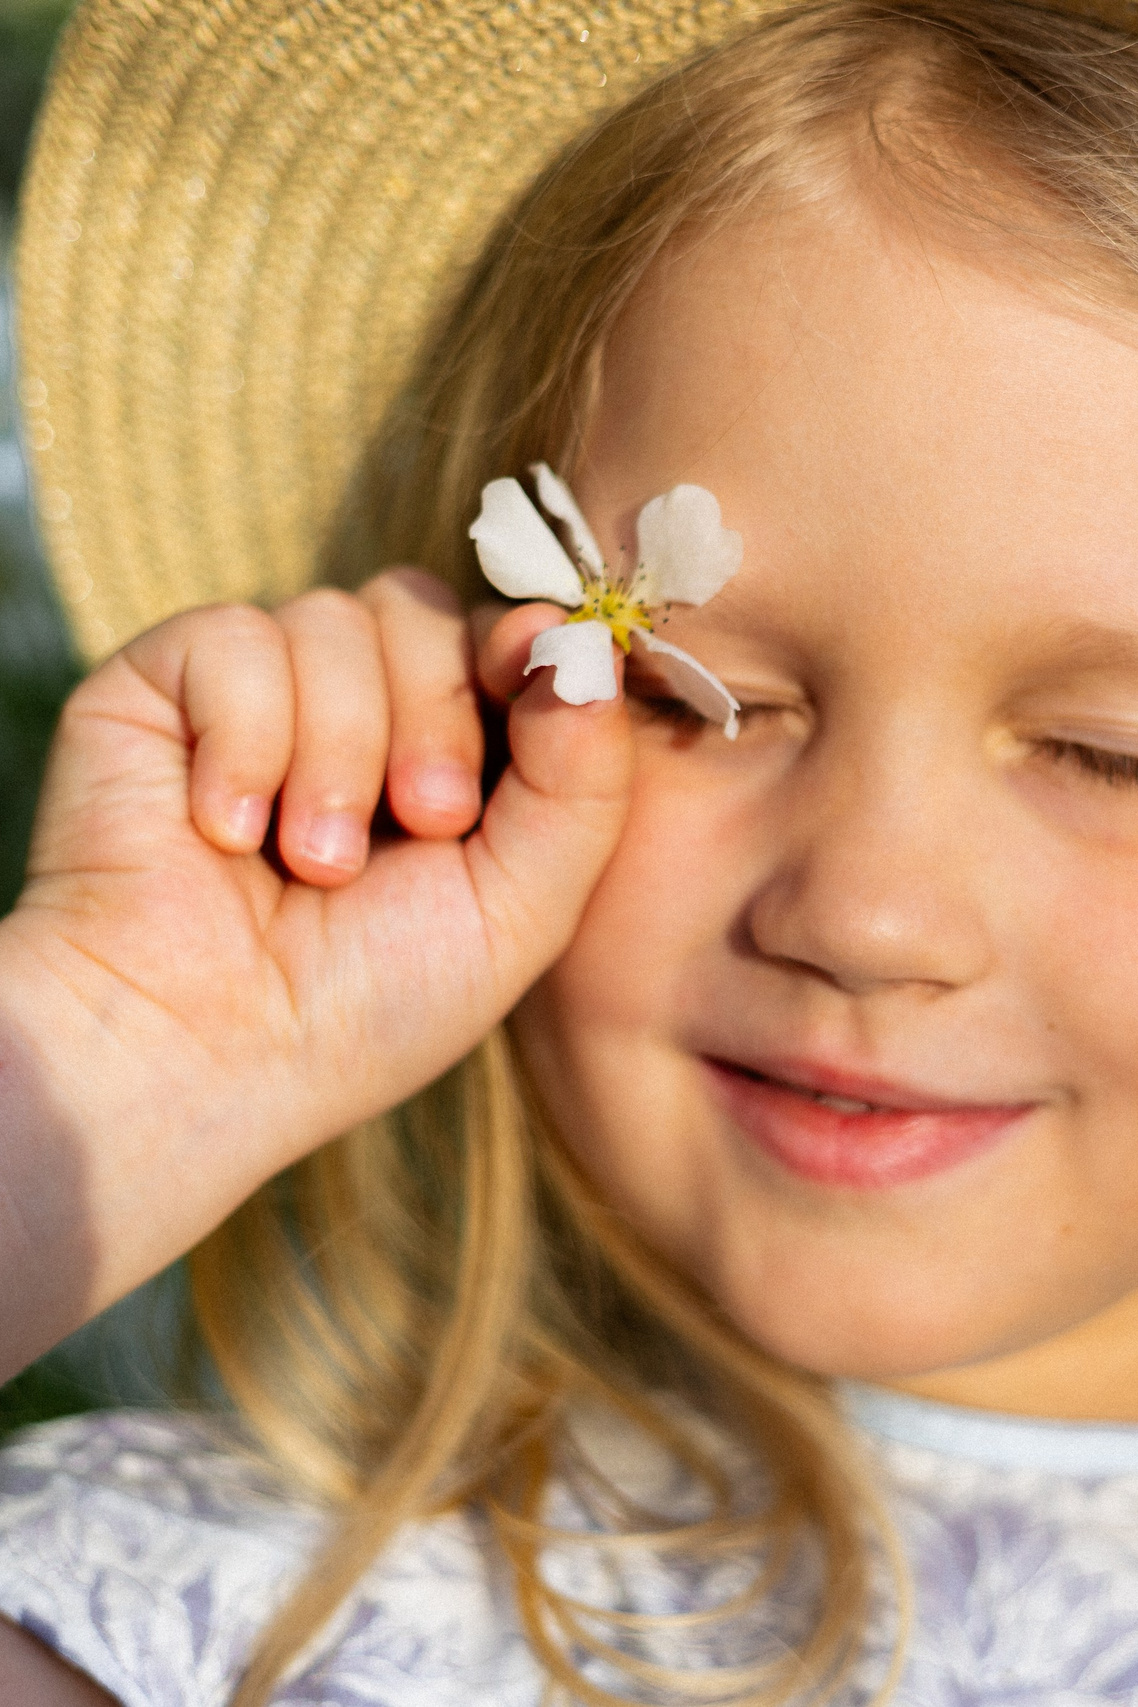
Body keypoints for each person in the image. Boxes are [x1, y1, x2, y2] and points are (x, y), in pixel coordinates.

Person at [7, 0, 1138, 1699]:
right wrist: (105, 1074)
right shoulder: (242, 1613)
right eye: (698, 700)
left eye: (1110, 757)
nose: (866, 913)